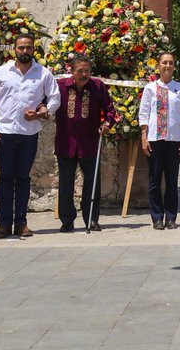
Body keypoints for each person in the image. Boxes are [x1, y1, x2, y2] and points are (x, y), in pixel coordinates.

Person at [0, 33, 59, 239]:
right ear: (14, 49)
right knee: (6, 178)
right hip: (5, 132)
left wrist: (43, 112)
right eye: (21, 48)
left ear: (34, 49)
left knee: (23, 178)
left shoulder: (43, 73)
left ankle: (22, 223)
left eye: (28, 47)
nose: (24, 51)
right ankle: (4, 224)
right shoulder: (2, 71)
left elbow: (55, 97)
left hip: (29, 132)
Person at [54, 55, 116, 232]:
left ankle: (91, 219)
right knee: (66, 183)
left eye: (87, 71)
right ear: (71, 71)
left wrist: (107, 124)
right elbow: (47, 104)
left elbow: (110, 111)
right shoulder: (60, 87)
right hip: (66, 142)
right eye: (80, 71)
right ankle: (67, 220)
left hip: (90, 142)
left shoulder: (98, 86)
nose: (84, 74)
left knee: (92, 182)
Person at [138, 52, 180, 229]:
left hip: (174, 140)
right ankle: (157, 217)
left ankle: (171, 217)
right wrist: (144, 137)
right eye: (164, 62)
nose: (168, 65)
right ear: (158, 65)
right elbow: (144, 114)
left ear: (174, 66)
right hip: (155, 139)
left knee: (172, 181)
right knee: (154, 179)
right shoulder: (150, 88)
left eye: (171, 63)